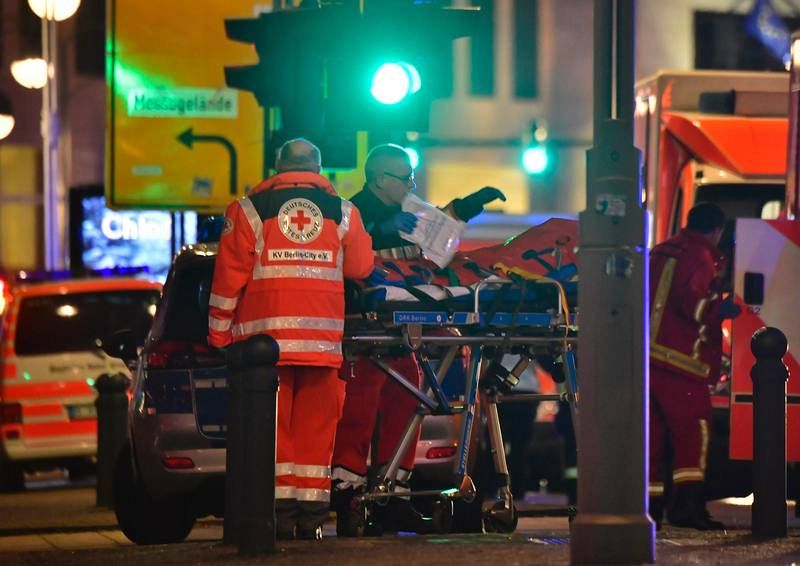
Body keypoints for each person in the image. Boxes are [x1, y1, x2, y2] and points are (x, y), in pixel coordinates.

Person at [331, 143, 506, 536]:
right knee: (357, 416)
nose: (411, 183)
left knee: (408, 402)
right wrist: (378, 232)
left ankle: (391, 496)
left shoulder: (405, 212)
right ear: (379, 179)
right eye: (404, 176)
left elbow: (436, 231)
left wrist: (466, 207)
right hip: (364, 332)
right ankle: (349, 501)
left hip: (400, 334)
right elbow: (354, 263)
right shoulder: (350, 215)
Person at [207, 138, 374, 540]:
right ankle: (311, 520)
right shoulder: (344, 212)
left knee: (274, 432)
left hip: (266, 347)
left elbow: (229, 278)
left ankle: (277, 517)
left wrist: (218, 335)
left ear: (277, 166)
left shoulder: (248, 210)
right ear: (318, 169)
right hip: (321, 345)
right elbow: (361, 266)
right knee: (316, 434)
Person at [648, 202, 740, 531]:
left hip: (649, 360)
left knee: (652, 438)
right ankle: (687, 508)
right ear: (717, 231)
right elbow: (692, 301)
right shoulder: (701, 256)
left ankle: (651, 510)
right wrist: (722, 307)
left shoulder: (661, 250)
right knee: (694, 434)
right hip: (680, 361)